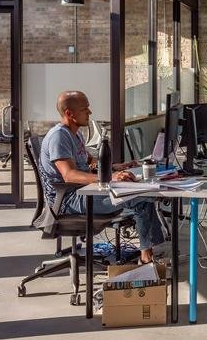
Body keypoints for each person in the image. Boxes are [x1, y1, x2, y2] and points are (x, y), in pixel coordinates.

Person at [39, 90, 163, 263]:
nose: (89, 112)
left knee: (140, 195)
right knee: (139, 199)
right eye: (85, 109)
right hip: (68, 201)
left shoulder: (75, 134)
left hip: (84, 191)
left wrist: (114, 168)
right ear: (69, 113)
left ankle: (149, 254)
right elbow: (69, 175)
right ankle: (147, 259)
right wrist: (109, 178)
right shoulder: (59, 137)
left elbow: (89, 163)